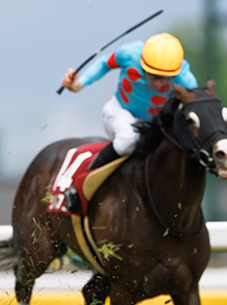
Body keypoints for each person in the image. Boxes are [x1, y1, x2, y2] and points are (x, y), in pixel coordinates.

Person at [60, 33, 198, 210]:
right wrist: (80, 84)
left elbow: (199, 109)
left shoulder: (185, 79)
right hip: (120, 112)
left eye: (164, 78)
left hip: (153, 125)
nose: (158, 83)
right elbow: (104, 63)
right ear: (142, 64)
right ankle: (80, 186)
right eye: (153, 75)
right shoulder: (129, 53)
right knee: (128, 140)